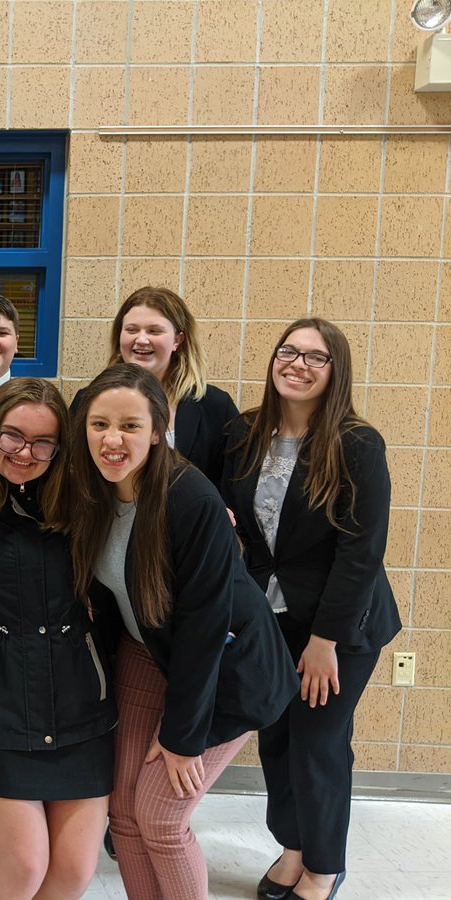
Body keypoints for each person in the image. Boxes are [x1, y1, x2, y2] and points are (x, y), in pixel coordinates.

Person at [69, 363, 298, 900]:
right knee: (123, 814)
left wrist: (182, 738)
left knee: (162, 818)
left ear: (158, 428)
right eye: (99, 424)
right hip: (148, 653)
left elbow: (204, 626)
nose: (112, 438)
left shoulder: (189, 499)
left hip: (227, 672)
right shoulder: (94, 492)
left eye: (129, 425)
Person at [223, 319, 401, 900]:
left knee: (319, 742)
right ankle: (293, 848)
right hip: (271, 617)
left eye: (315, 357)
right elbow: (237, 525)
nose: (297, 364)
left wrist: (325, 640)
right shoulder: (244, 433)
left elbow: (361, 550)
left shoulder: (356, 443)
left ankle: (324, 866)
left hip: (340, 625)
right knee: (275, 736)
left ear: (335, 371)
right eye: (288, 352)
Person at [0, 378, 116, 900]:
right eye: (13, 436)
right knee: (23, 865)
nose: (26, 453)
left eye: (43, 442)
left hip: (78, 702)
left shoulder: (84, 504)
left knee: (71, 871)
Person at [103, 286, 237, 485]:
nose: (141, 339)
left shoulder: (215, 407)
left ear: (177, 340)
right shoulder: (90, 400)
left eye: (154, 331)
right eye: (132, 330)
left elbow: (232, 481)